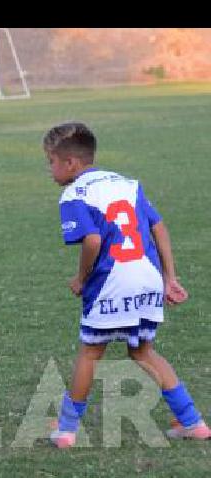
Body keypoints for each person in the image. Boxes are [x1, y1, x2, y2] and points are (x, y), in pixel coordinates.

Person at [44, 121, 210, 448]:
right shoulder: (128, 183)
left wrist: (81, 278)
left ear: (71, 163)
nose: (49, 170)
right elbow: (158, 226)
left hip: (111, 281)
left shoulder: (75, 193)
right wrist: (169, 277)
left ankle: (65, 431)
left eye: (50, 161)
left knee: (90, 353)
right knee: (143, 351)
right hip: (147, 278)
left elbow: (92, 240)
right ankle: (193, 422)